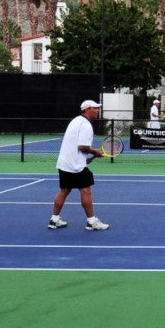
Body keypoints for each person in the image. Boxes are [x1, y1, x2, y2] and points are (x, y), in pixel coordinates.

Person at [49, 99, 109, 231]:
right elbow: (82, 146)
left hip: (65, 163)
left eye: (98, 108)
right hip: (74, 166)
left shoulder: (75, 120)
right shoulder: (86, 125)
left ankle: (54, 219)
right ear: (87, 109)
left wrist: (84, 158)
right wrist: (95, 152)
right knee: (86, 190)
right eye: (95, 108)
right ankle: (92, 222)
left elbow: (75, 146)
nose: (97, 111)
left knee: (64, 190)